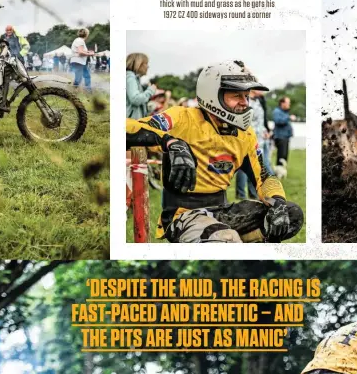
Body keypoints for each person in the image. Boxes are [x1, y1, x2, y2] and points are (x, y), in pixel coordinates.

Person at [126, 60, 304, 243]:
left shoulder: (245, 133)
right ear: (213, 95)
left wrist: (278, 202)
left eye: (246, 96)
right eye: (237, 96)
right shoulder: (181, 117)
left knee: (291, 214)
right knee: (227, 238)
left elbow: (264, 176)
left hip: (221, 211)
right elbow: (126, 127)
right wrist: (170, 142)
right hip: (182, 214)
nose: (244, 103)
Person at [126, 52, 157, 119]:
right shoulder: (130, 77)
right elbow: (135, 99)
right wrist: (150, 90)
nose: (148, 66)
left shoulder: (133, 78)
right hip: (130, 125)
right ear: (138, 64)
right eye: (146, 63)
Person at [272, 96, 295, 179]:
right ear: (282, 103)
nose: (289, 104)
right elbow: (278, 121)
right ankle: (278, 173)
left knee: (284, 156)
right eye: (288, 102)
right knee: (281, 155)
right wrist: (288, 118)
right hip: (280, 137)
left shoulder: (284, 112)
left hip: (285, 137)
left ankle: (281, 173)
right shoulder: (277, 111)